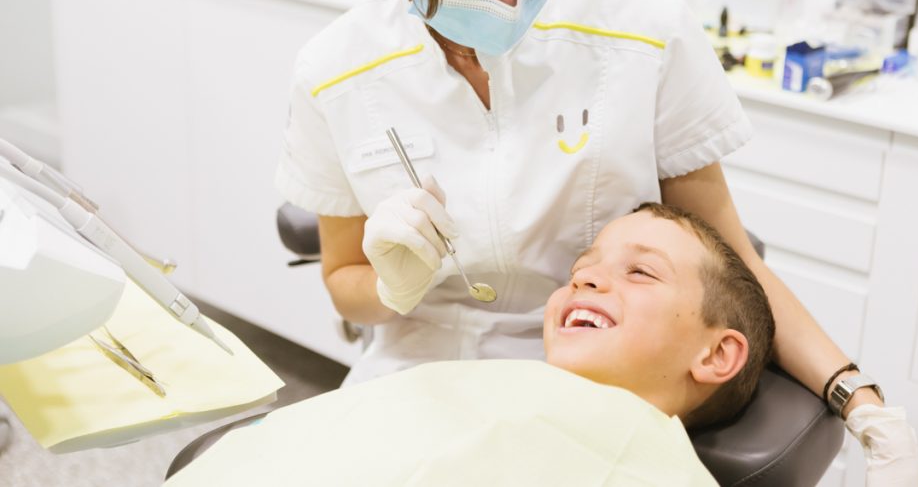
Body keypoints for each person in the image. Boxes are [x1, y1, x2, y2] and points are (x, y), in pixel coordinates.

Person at [274, 0, 918, 482]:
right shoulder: (336, 70)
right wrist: (392, 283)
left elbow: (731, 255)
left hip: (599, 399)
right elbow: (343, 283)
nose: (505, 2)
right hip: (413, 386)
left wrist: (858, 397)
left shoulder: (645, 34)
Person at [165, 205, 775, 486]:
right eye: (582, 269)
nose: (586, 278)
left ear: (716, 355)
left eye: (641, 273)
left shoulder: (648, 461)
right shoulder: (487, 388)